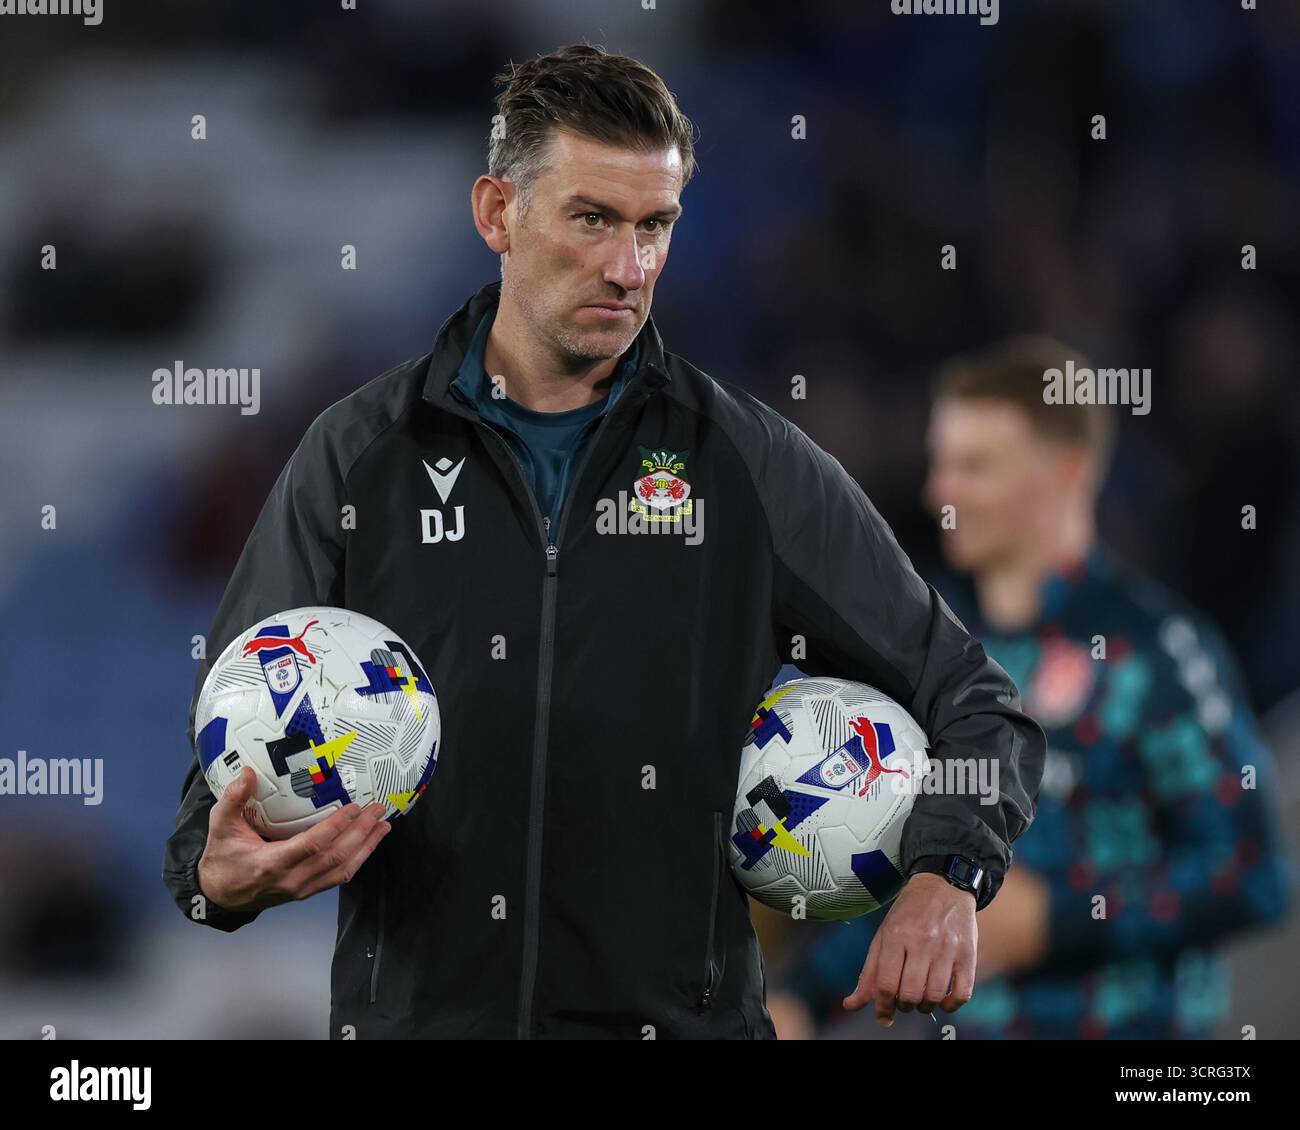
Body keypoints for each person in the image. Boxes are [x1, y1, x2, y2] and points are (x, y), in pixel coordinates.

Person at [162, 44, 1044, 1040]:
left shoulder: (745, 465)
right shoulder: (356, 457)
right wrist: (214, 875)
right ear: (497, 213)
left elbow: (978, 709)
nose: (629, 269)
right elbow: (220, 768)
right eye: (592, 219)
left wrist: (946, 873)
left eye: (654, 227)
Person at [770, 335, 1291, 1038]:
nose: (939, 493)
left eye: (975, 467)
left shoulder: (1154, 653)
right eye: (942, 464)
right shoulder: (924, 655)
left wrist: (1057, 919)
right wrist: (801, 997)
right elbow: (893, 879)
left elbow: (1251, 873)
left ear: (1066, 472)